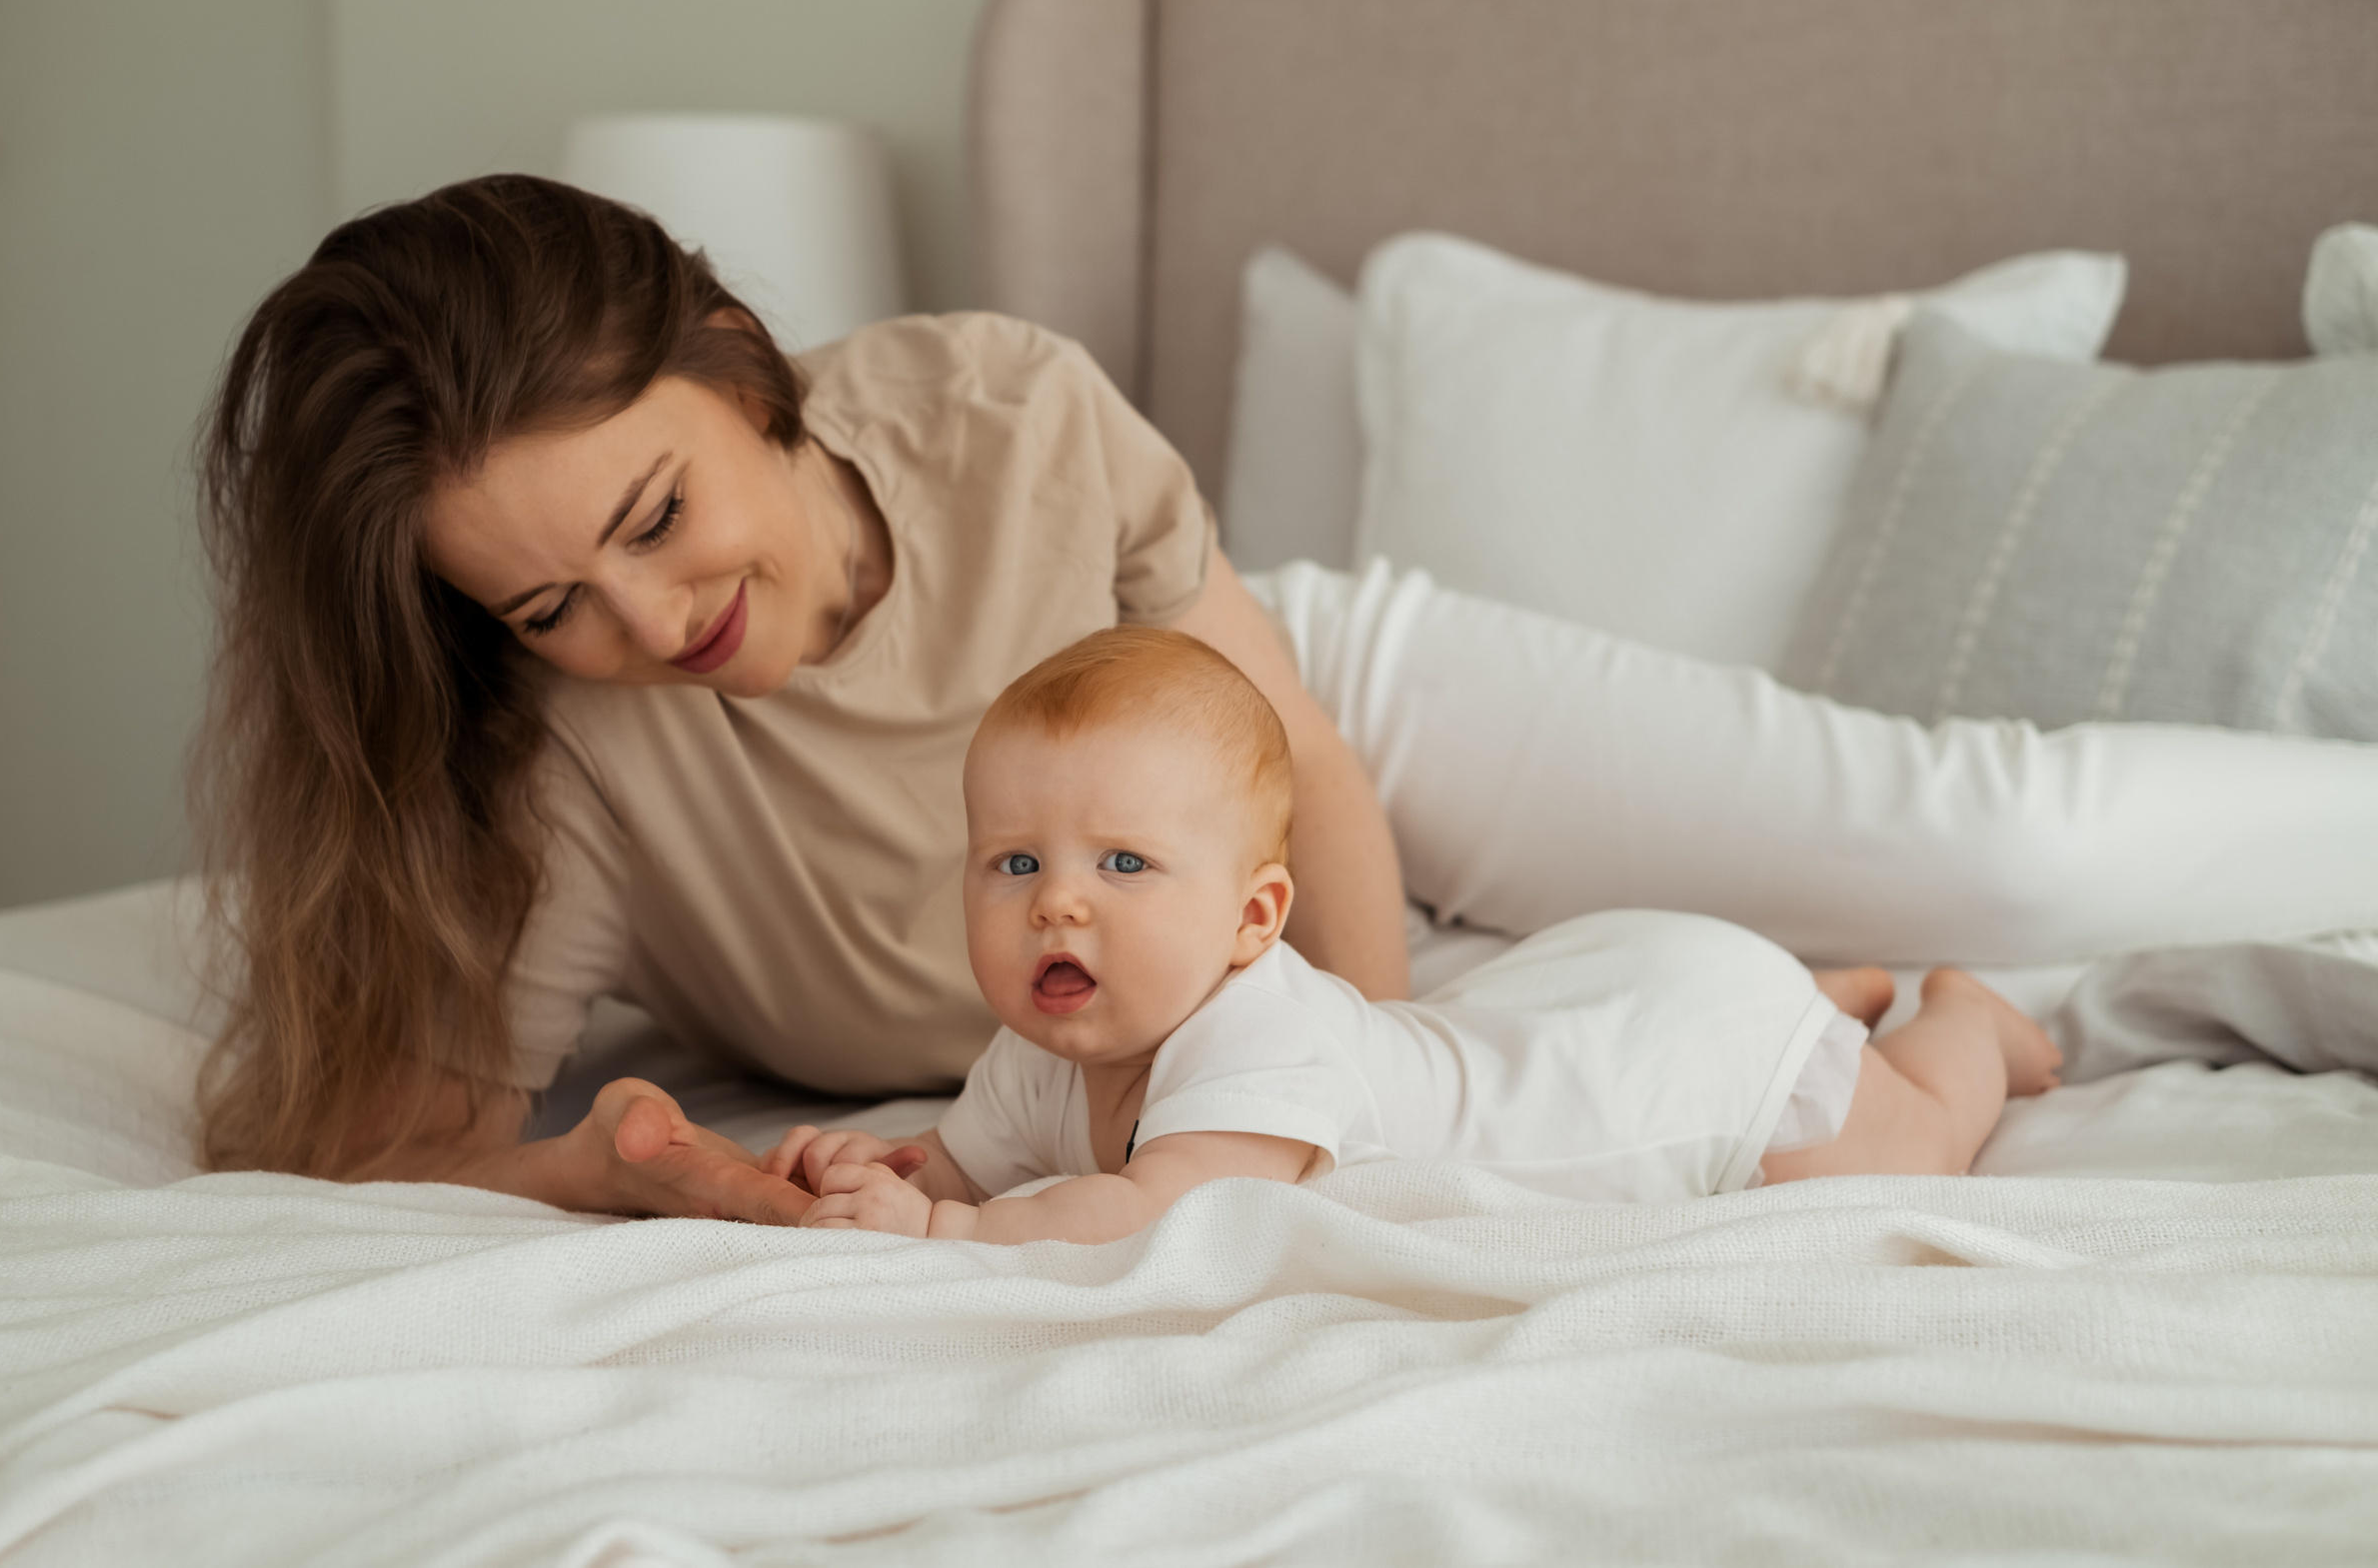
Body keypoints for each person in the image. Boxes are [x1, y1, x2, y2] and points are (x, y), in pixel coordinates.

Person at [192, 174, 2378, 1225]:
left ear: (746, 368)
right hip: (1115, 868)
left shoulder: (1002, 404)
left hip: (1299, 706)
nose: (651, 612)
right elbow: (392, 1133)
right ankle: (1714, 976)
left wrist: (1392, 1042)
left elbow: (1297, 759)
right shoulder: (561, 757)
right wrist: (649, 1169)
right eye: (550, 600)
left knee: (2000, 840)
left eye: (663, 510)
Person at [776, 629, 2063, 1244]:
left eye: (1124, 864)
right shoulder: (1047, 1045)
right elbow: (962, 1159)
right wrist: (877, 1176)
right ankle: (1816, 1002)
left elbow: (1139, 1215)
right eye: (1014, 863)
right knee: (1535, 1029)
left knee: (1902, 1155)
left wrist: (942, 1239)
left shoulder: (1256, 1048)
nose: (1058, 903)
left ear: (1253, 921)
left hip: (1675, 1069)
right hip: (1586, 993)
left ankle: (1961, 1026)